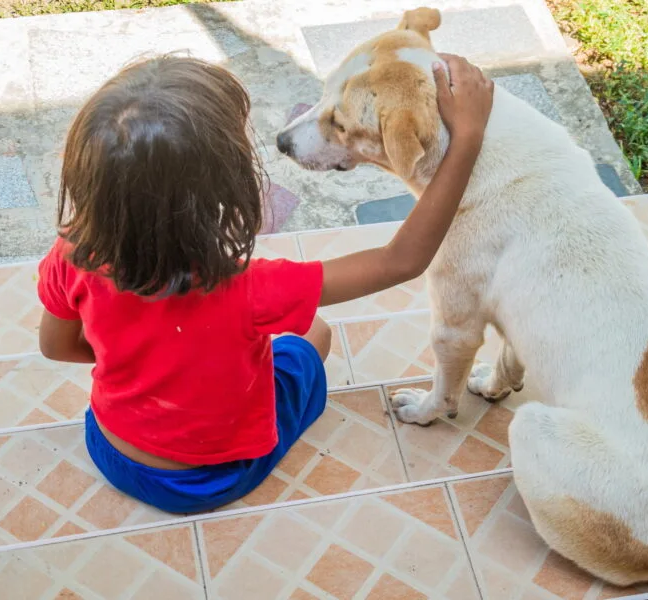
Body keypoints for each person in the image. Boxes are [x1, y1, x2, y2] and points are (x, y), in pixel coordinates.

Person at [36, 53, 494, 514]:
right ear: (222, 186)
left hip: (114, 451)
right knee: (314, 332)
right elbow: (401, 261)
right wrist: (467, 138)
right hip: (218, 478)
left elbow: (56, 347)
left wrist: (142, 360)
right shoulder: (252, 288)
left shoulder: (70, 254)